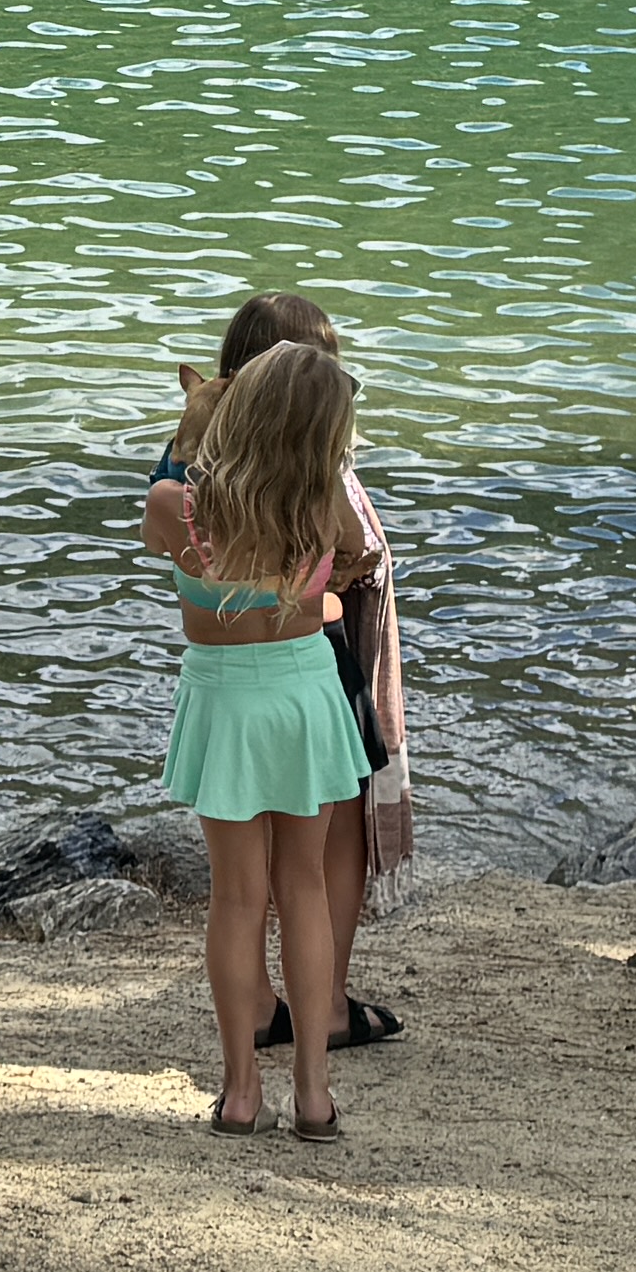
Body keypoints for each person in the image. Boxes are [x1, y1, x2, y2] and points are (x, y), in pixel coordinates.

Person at [150, 291, 411, 1047]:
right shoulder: (309, 468)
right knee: (330, 847)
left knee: (238, 884)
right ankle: (324, 1008)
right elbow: (347, 559)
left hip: (227, 681)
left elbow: (178, 556)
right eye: (326, 363)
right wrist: (319, 598)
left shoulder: (196, 464)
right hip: (311, 666)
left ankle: (259, 1015)